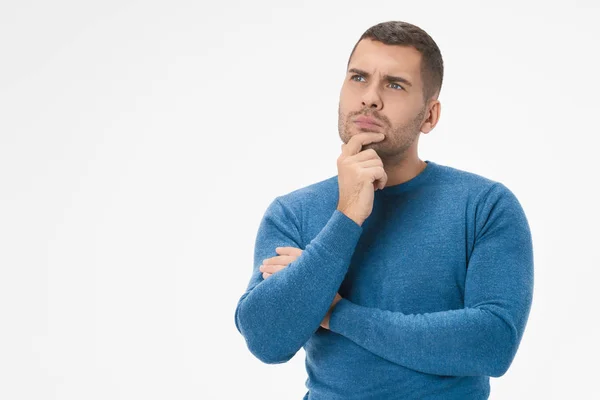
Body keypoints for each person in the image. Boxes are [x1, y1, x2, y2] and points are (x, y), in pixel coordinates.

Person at [234, 20, 534, 400]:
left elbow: (492, 343)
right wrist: (346, 217)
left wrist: (336, 313)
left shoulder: (485, 206)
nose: (370, 97)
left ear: (430, 116)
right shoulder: (293, 213)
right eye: (358, 78)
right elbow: (266, 341)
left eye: (395, 85)